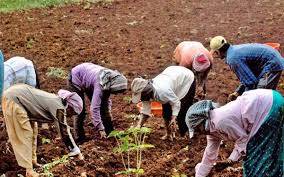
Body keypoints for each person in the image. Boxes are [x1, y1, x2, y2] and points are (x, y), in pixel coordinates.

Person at [185, 89, 283, 177]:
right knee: (271, 150)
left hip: (268, 107)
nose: (199, 133)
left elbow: (243, 140)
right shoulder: (211, 128)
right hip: (270, 101)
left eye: (197, 129)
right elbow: (210, 154)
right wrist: (200, 175)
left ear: (202, 122)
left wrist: (230, 160)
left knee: (253, 159)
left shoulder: (220, 121)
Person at [2, 84, 83, 177]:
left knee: (33, 130)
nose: (71, 115)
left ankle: (33, 161)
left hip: (21, 99)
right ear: (69, 106)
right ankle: (29, 170)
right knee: (25, 133)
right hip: (14, 98)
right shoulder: (59, 107)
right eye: (72, 112)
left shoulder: (58, 102)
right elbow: (63, 129)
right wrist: (76, 150)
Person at [210, 36, 284, 102]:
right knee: (264, 94)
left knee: (259, 95)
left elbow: (250, 83)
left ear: (217, 51)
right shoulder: (233, 50)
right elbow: (247, 76)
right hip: (270, 59)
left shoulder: (233, 58)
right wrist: (238, 92)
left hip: (272, 63)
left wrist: (242, 100)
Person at [131, 66, 196, 140]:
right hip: (172, 76)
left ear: (147, 92)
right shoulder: (146, 93)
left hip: (186, 78)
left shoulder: (162, 91)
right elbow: (146, 111)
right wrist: (139, 126)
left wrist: (174, 117)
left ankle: (184, 134)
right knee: (166, 109)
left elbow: (176, 103)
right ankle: (169, 134)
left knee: (183, 109)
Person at [68, 63, 127, 142]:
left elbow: (106, 102)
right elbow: (94, 108)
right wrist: (100, 129)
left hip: (89, 78)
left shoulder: (109, 81)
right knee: (80, 110)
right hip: (76, 77)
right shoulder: (100, 86)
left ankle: (110, 132)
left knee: (103, 107)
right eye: (116, 92)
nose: (116, 94)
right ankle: (79, 137)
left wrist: (109, 115)